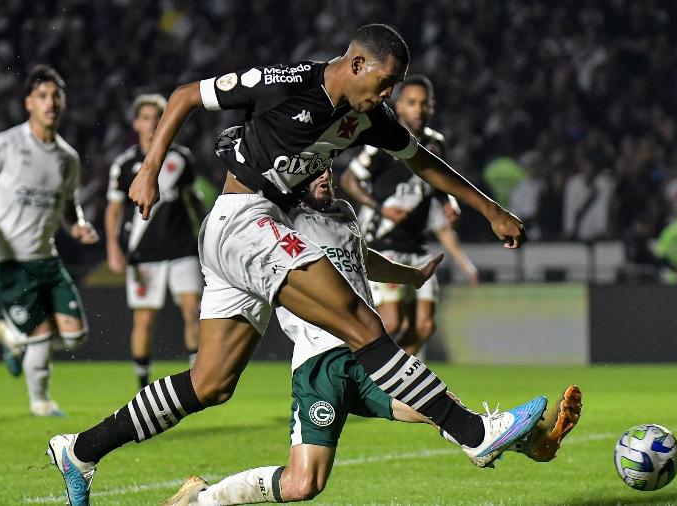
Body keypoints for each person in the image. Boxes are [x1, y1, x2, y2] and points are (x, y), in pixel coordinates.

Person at [48, 25, 555, 505]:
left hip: (250, 233)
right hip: (243, 220)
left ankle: (80, 450)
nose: (387, 97)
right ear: (356, 63)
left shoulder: (368, 117)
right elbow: (184, 95)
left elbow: (421, 160)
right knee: (361, 323)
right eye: (383, 84)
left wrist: (492, 211)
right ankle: (474, 434)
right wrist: (149, 170)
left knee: (210, 384)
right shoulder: (289, 83)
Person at [162, 171, 582, 505]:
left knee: (442, 407)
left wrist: (410, 276)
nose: (325, 176)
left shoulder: (343, 212)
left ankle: (525, 441)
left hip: (368, 356)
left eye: (326, 168)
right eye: (314, 173)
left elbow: (362, 257)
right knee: (303, 483)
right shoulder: (277, 219)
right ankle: (204, 500)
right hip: (321, 361)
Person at [0, 65, 99, 417]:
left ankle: (13, 333)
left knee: (75, 336)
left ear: (64, 102)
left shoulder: (67, 159)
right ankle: (40, 403)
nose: (50, 102)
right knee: (40, 336)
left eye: (56, 96)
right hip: (5, 258)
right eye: (42, 96)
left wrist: (78, 226)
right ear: (28, 103)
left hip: (45, 259)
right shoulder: (6, 144)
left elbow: (67, 205)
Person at [341, 74, 478, 355]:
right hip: (383, 245)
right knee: (391, 323)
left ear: (432, 108)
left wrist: (450, 202)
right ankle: (357, 376)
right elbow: (348, 181)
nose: (419, 109)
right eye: (412, 103)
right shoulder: (382, 143)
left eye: (424, 104)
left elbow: (441, 183)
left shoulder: (436, 144)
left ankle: (395, 384)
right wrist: (381, 209)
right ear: (398, 106)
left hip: (417, 248)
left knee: (425, 327)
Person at [106, 94, 204, 389]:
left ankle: (196, 381)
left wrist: (207, 234)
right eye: (146, 117)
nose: (152, 124)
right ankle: (141, 384)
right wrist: (112, 246)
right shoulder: (124, 165)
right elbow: (113, 209)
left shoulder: (181, 159)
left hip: (181, 247)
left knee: (192, 309)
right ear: (136, 123)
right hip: (144, 253)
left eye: (158, 117)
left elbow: (193, 201)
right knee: (145, 320)